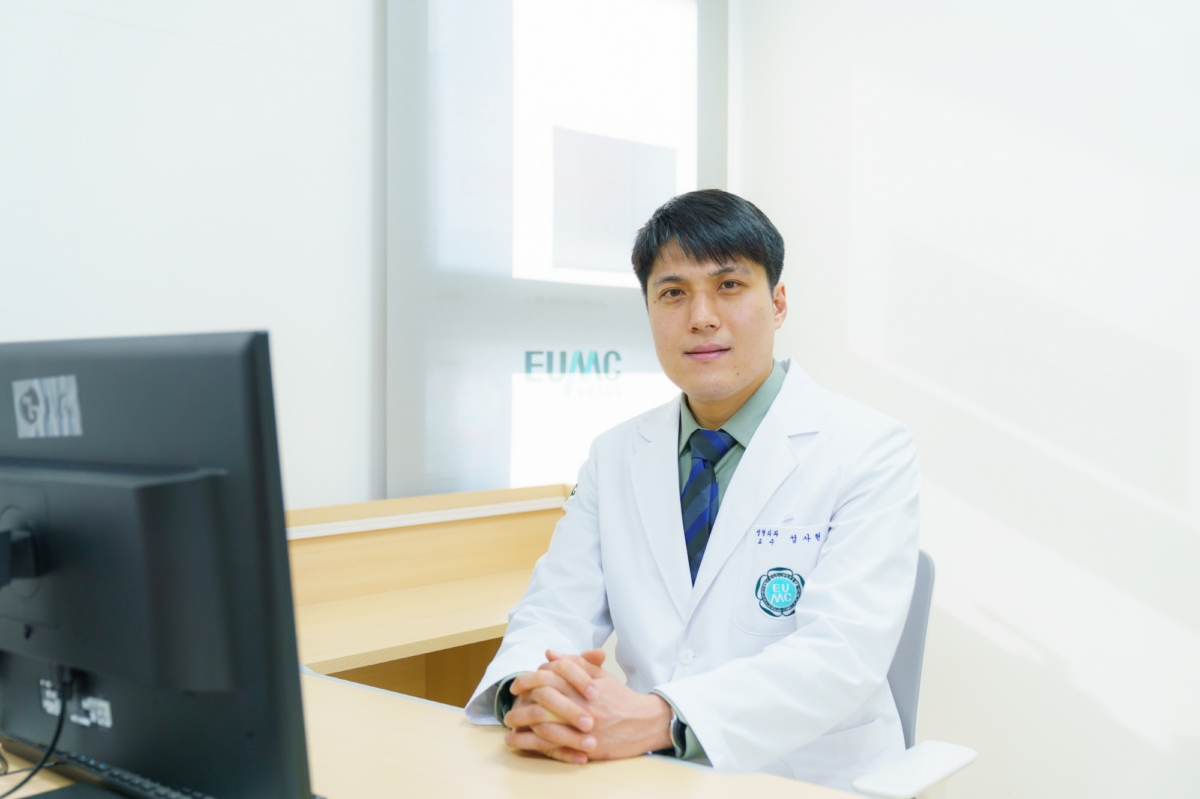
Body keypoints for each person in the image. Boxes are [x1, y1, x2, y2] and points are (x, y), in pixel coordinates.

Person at [465, 189, 920, 791]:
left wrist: (661, 719)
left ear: (778, 303)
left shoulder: (869, 447)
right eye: (673, 293)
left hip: (807, 778)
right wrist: (531, 693)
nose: (701, 316)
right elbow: (554, 610)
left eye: (729, 285)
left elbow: (841, 653)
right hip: (650, 774)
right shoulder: (615, 453)